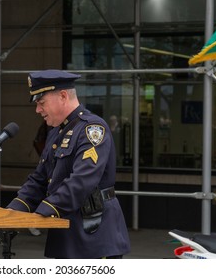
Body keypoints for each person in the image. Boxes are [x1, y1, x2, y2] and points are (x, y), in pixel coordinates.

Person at [7, 69, 130, 259]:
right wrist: (13, 211)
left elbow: (82, 180)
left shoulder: (92, 128)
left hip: (93, 233)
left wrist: (42, 212)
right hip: (66, 233)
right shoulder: (56, 132)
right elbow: (40, 178)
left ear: (63, 96)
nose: (37, 110)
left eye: (41, 103)